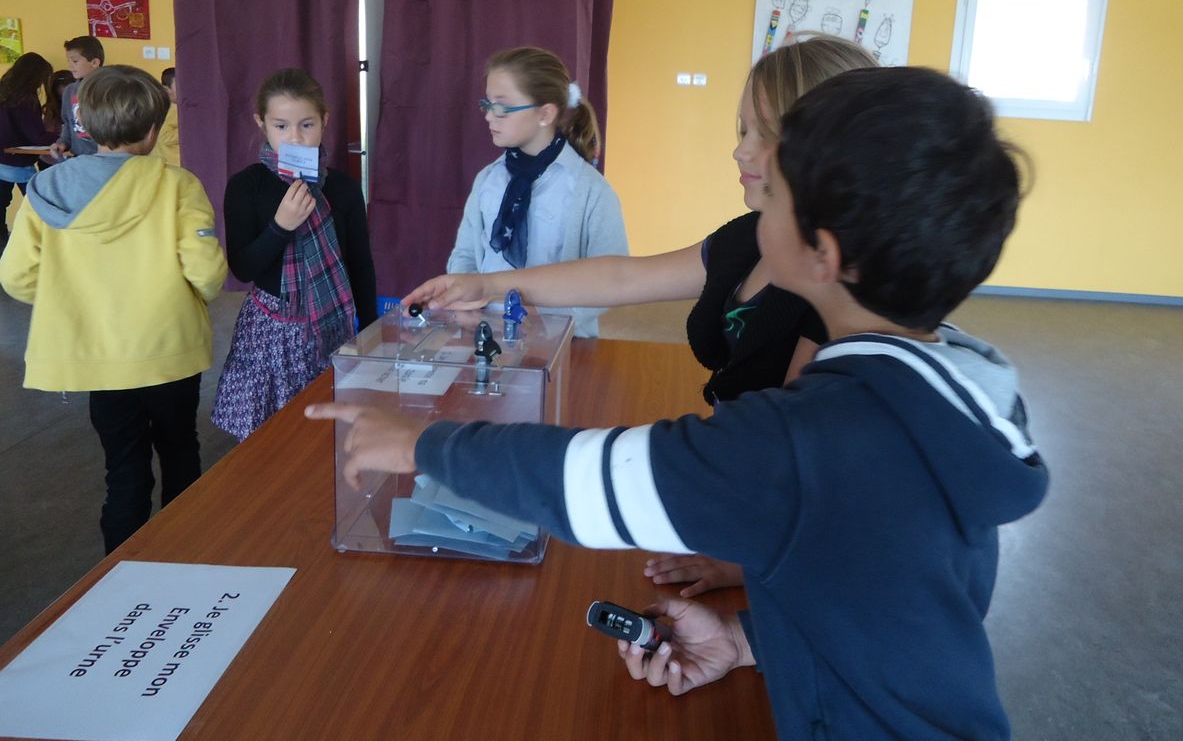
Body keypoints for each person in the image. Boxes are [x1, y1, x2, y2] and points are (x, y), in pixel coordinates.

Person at [311, 65, 1049, 741]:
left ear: (822, 254)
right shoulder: (946, 401)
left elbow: (598, 477)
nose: (753, 180)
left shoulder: (816, 436)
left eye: (776, 190)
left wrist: (421, 443)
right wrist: (745, 639)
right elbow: (887, 596)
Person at [408, 36, 877, 597]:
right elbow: (622, 277)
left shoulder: (842, 297)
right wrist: (486, 283)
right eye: (742, 130)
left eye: (763, 134)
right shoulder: (749, 238)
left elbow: (801, 466)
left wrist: (744, 564)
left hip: (771, 517)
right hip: (746, 490)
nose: (740, 152)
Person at [0, 65, 227, 554]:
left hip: (98, 362)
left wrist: (70, 296)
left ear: (83, 125)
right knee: (181, 453)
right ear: (153, 130)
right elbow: (207, 273)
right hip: (171, 353)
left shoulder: (47, 191)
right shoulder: (179, 185)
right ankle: (188, 557)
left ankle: (121, 572)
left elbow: (15, 277)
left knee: (123, 471)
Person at [211, 68, 376, 441]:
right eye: (281, 126)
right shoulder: (247, 186)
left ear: (324, 121)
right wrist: (280, 226)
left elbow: (360, 265)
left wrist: (367, 334)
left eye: (307, 124)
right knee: (268, 436)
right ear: (261, 123)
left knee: (326, 432)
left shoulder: (344, 188)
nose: (295, 137)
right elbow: (243, 268)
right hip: (271, 330)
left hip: (332, 324)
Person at [444, 46, 628, 337]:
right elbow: (465, 254)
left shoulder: (590, 191)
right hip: (490, 336)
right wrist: (466, 299)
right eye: (487, 104)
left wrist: (546, 320)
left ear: (545, 114)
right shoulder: (488, 180)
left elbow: (611, 280)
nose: (489, 116)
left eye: (502, 107)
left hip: (563, 341)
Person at [0, 52, 58, 234]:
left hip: (2, 158)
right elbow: (37, 136)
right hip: (17, 161)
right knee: (37, 205)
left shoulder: (3, 91)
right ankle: (41, 239)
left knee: (1, 203)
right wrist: (64, 138)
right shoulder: (25, 99)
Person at [49, 35, 105, 159]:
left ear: (95, 63)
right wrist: (62, 142)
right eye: (68, 61)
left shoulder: (109, 89)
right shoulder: (69, 91)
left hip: (106, 157)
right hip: (79, 157)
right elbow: (68, 123)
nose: (70, 66)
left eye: (75, 61)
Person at [155, 66, 180, 167]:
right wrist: (192, 131)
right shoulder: (173, 107)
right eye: (180, 85)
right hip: (172, 166)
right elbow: (164, 137)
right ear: (166, 90)